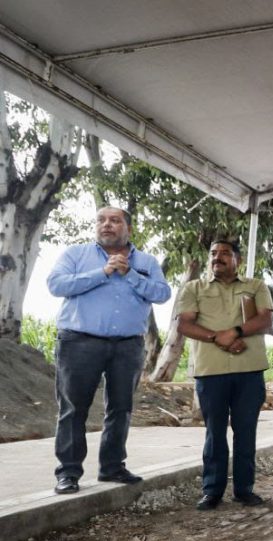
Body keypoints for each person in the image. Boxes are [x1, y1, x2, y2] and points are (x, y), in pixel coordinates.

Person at [46, 207, 171, 494]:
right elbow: (56, 284)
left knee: (121, 407)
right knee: (73, 408)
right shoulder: (76, 255)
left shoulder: (146, 262)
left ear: (128, 228)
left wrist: (130, 275)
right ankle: (68, 473)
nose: (106, 225)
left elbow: (162, 294)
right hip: (79, 342)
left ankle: (112, 467)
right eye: (101, 220)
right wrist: (103, 272)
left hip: (128, 346)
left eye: (115, 220)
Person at [176, 240, 273, 510]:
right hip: (211, 371)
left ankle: (244, 490)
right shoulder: (194, 288)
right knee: (214, 433)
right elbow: (185, 324)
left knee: (246, 432)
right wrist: (218, 337)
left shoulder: (255, 286)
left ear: (237, 260)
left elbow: (265, 319)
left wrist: (237, 332)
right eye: (213, 254)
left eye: (224, 254)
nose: (217, 258)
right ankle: (212, 491)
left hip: (249, 370)